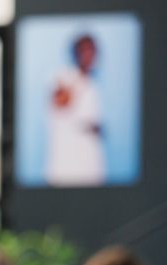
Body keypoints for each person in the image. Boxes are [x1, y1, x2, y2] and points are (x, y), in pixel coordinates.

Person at [46, 33, 105, 186]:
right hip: (68, 162)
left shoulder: (92, 83)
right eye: (85, 50)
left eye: (92, 50)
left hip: (89, 161)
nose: (89, 55)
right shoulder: (64, 78)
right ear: (75, 53)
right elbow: (60, 104)